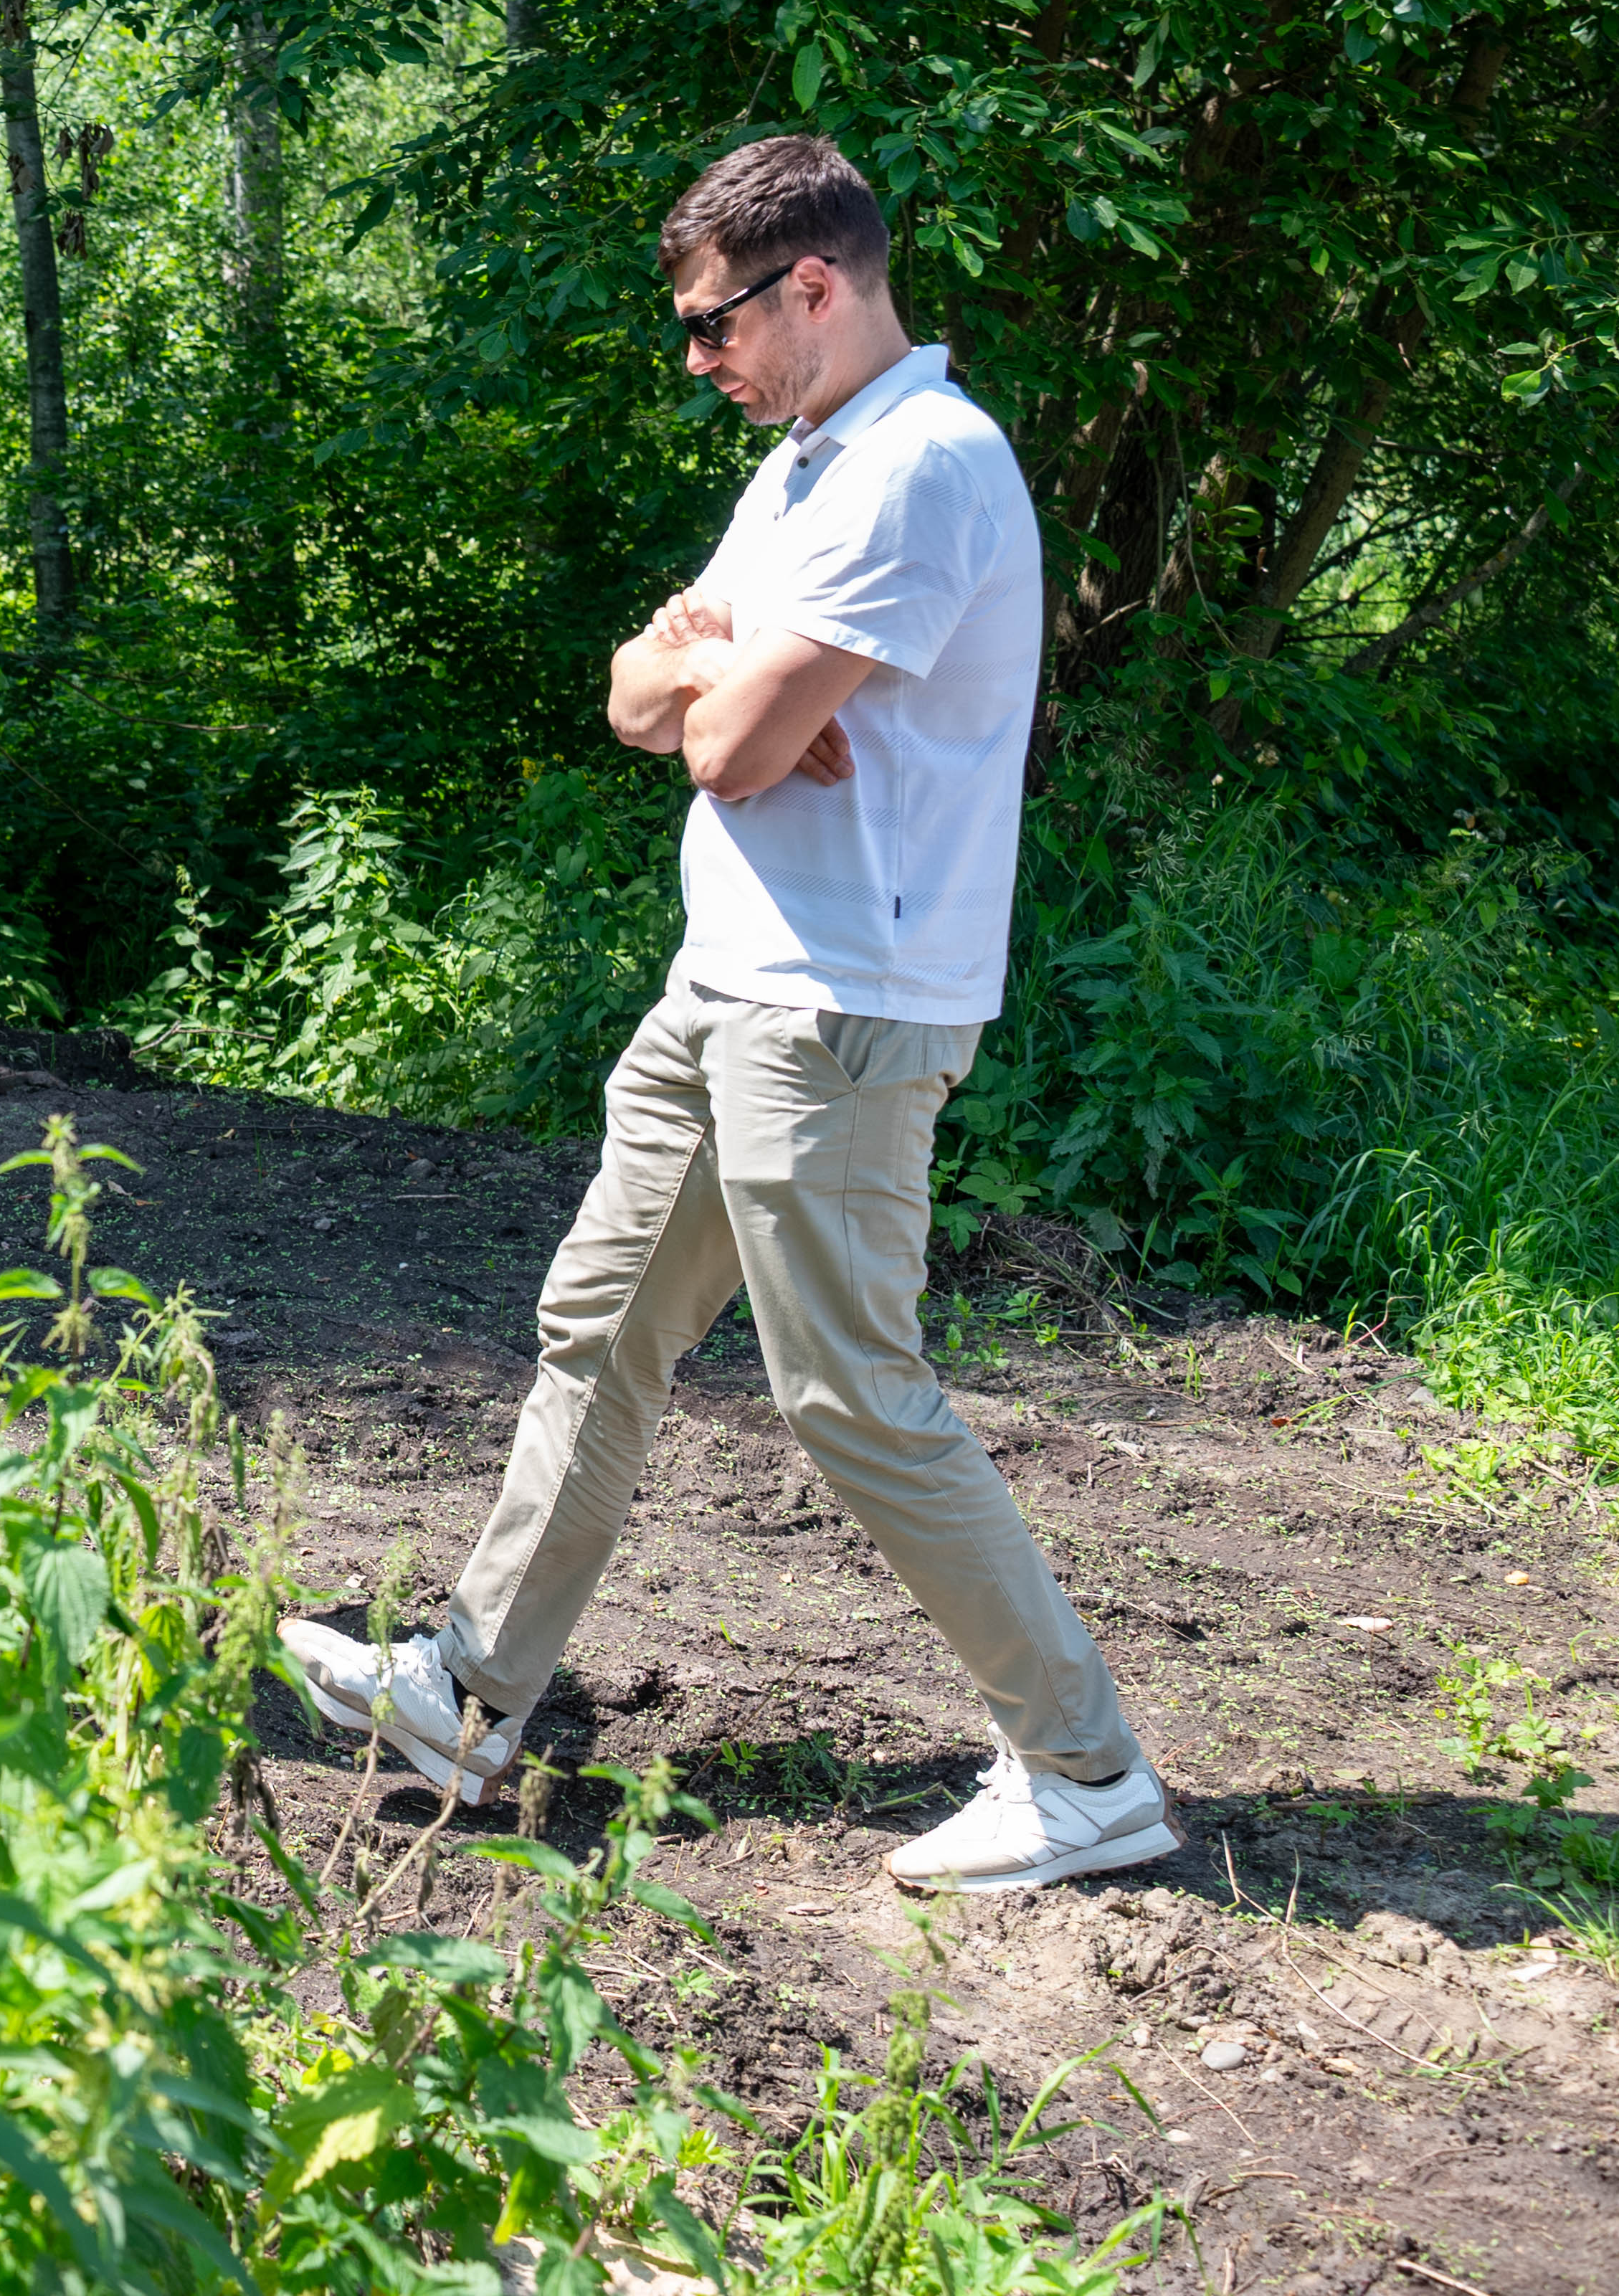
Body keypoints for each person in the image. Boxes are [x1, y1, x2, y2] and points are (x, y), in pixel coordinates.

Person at [278, 133, 1177, 1894]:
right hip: (729, 982)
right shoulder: (801, 469)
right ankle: (468, 1692)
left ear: (812, 286)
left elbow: (725, 751)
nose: (697, 358)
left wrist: (726, 686)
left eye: (712, 324)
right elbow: (641, 696)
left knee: (849, 1392)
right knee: (596, 1326)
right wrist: (716, 664)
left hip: (838, 1004)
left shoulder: (919, 466)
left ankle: (1083, 1771)